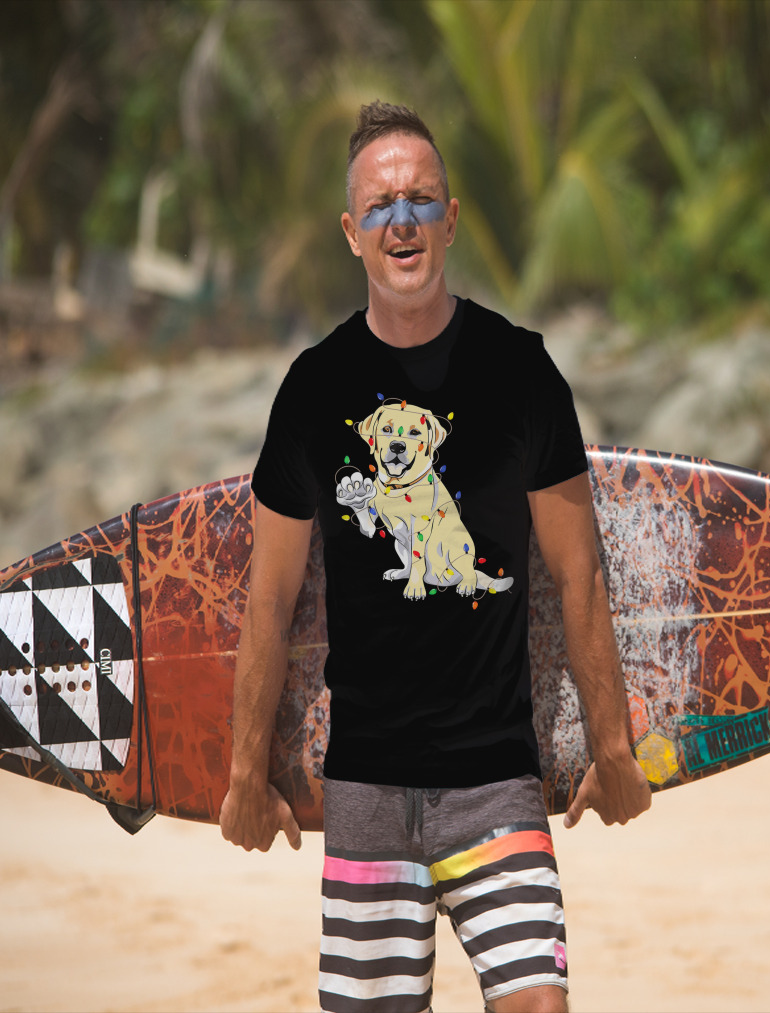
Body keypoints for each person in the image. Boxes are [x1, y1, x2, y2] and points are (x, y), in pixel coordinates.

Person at [220, 100, 651, 1013]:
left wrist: (612, 746)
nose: (402, 220)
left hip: (496, 779)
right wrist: (242, 772)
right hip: (367, 786)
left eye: (421, 200)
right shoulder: (312, 390)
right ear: (351, 233)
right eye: (380, 206)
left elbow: (579, 575)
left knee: (540, 1003)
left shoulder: (523, 372)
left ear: (451, 219)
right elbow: (269, 600)